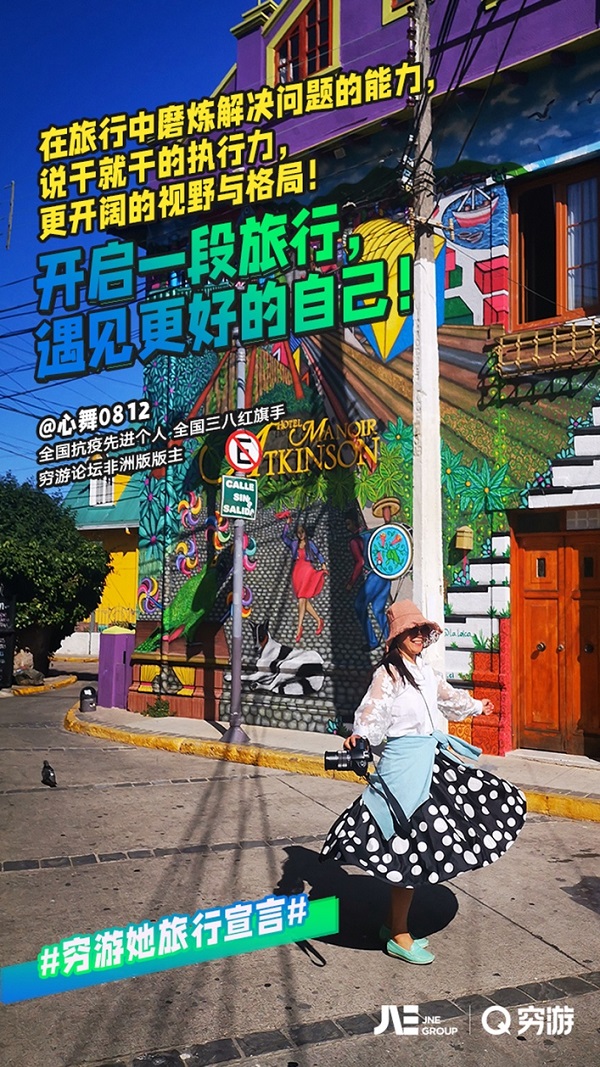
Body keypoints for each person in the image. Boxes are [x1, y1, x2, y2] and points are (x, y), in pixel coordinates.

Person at [320, 599, 526, 965]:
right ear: (397, 636)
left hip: (430, 762)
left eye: (421, 630)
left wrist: (477, 705)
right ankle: (399, 935)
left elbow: (447, 698)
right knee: (409, 850)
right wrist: (360, 736)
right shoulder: (388, 674)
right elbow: (372, 710)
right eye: (411, 630)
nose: (418, 635)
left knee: (432, 838)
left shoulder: (424, 671)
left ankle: (392, 925)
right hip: (403, 769)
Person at [279, 513, 327, 642]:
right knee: (304, 600)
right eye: (298, 532)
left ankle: (299, 627)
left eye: (302, 532)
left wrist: (323, 564)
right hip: (297, 573)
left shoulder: (310, 544)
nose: (301, 534)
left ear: (305, 532)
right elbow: (284, 537)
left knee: (301, 599)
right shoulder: (294, 544)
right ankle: (318, 620)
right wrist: (287, 524)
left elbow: (318, 553)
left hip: (307, 571)